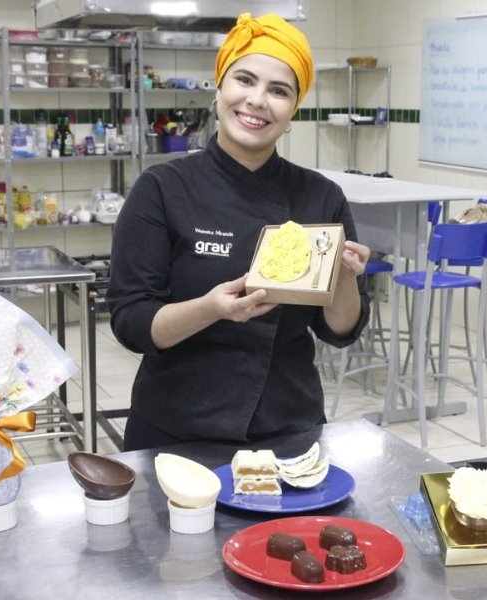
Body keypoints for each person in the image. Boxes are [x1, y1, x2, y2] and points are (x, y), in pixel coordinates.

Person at [107, 13, 372, 451]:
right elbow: (131, 323)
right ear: (219, 88)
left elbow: (341, 331)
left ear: (293, 110)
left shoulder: (320, 196)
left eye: (279, 91)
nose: (257, 100)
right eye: (245, 80)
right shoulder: (163, 189)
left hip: (288, 426)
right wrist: (210, 309)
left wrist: (344, 278)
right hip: (176, 430)